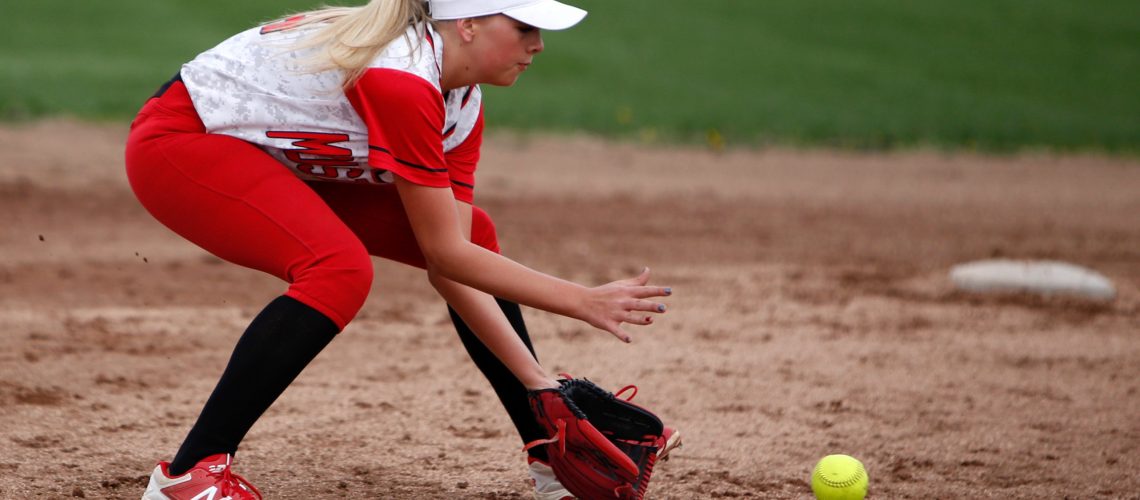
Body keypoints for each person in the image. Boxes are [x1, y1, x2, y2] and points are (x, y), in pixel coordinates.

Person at [125, 0, 679, 498]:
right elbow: (446, 256)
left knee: (475, 233)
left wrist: (538, 384)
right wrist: (582, 300)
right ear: (467, 25)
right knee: (337, 270)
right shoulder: (402, 79)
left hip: (276, 158)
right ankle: (188, 475)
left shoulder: (460, 104)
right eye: (525, 26)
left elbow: (458, 257)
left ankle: (546, 457)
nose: (538, 45)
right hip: (182, 145)